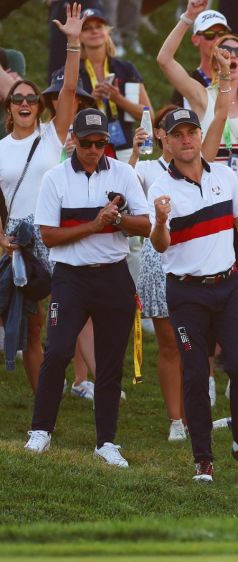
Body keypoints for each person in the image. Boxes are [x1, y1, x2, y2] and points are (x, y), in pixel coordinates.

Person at [158, 7, 238, 372]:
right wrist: (184, 18)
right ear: (214, 56)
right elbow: (164, 59)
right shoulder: (202, 94)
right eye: (224, 50)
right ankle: (208, 360)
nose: (232, 56)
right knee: (210, 263)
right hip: (207, 179)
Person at [148, 107, 238, 484]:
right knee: (196, 373)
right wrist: (162, 220)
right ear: (165, 141)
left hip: (229, 285)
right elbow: (160, 245)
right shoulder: (159, 188)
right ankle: (203, 458)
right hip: (186, 293)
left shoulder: (225, 175)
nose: (186, 139)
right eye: (177, 134)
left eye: (191, 132)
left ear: (200, 136)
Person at [25, 108, 152, 466]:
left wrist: (118, 219)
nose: (94, 149)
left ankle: (106, 442)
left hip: (113, 275)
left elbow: (144, 225)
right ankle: (41, 431)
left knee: (111, 362)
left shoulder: (125, 173)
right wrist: (95, 225)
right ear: (74, 141)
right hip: (71, 277)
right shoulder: (55, 178)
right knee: (58, 352)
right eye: (86, 143)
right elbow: (48, 236)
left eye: (100, 143)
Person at [0, 3, 83, 394]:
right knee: (27, 325)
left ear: (38, 105)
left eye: (31, 98)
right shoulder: (0, 149)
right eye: (18, 98)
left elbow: (68, 89)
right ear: (9, 106)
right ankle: (41, 404)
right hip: (14, 239)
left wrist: (73, 44)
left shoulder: (51, 137)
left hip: (51, 233)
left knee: (54, 321)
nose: (25, 104)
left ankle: (56, 392)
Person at [128, 105, 186, 442]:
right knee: (170, 345)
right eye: (170, 129)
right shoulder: (149, 168)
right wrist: (135, 154)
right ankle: (175, 420)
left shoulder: (198, 168)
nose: (178, 136)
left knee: (196, 342)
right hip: (157, 260)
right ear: (160, 134)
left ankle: (196, 415)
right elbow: (123, 189)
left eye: (186, 131)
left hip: (193, 257)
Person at [70, 6, 153, 162]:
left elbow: (149, 115)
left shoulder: (126, 69)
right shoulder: (73, 72)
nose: (94, 31)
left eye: (99, 26)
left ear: (107, 30)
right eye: (87, 28)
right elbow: (64, 121)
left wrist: (118, 98)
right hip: (87, 149)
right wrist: (91, 101)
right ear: (79, 36)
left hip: (125, 149)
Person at [167, 8, 238, 111]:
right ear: (195, 40)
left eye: (222, 34)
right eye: (209, 35)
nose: (217, 40)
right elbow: (165, 60)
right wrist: (188, 16)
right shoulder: (189, 83)